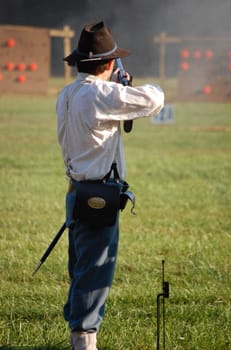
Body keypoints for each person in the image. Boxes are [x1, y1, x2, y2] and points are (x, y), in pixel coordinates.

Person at [56, 21, 164, 350]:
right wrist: (123, 85)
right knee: (95, 273)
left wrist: (118, 84)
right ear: (106, 64)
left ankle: (80, 330)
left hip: (77, 193)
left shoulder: (68, 92)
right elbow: (154, 100)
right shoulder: (102, 93)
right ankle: (84, 341)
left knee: (82, 269)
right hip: (99, 196)